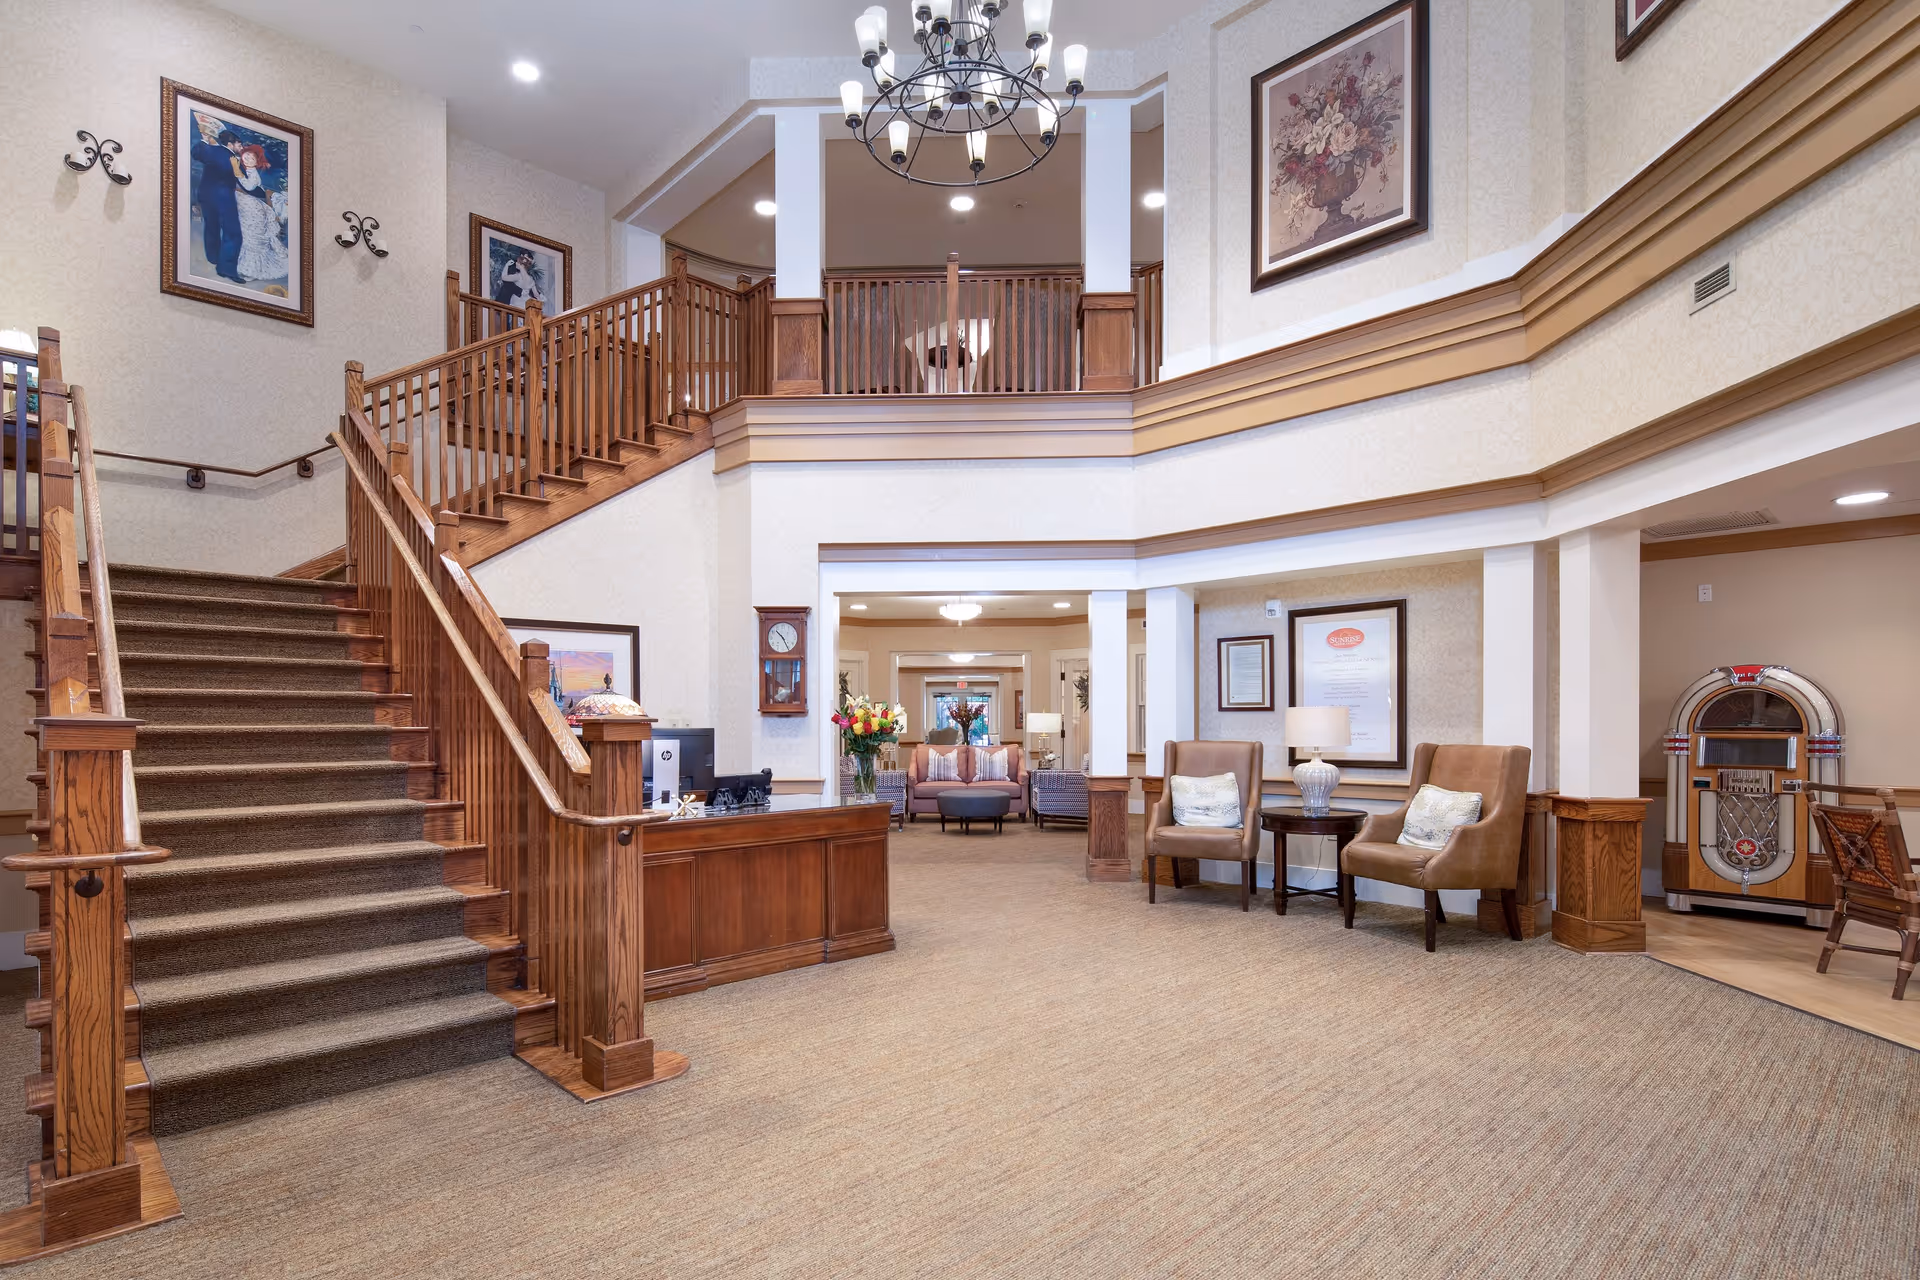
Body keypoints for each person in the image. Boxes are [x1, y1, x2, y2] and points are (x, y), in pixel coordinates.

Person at [189, 128, 254, 282]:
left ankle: (213, 257)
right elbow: (244, 183)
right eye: (239, 144)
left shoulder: (211, 151)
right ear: (231, 144)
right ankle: (227, 270)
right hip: (224, 198)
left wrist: (204, 140)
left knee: (212, 226)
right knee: (233, 233)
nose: (241, 147)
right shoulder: (232, 159)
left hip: (206, 196)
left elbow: (196, 153)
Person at [233, 145, 289, 282]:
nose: (248, 158)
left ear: (256, 162)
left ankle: (253, 270)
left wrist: (236, 169)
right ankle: (246, 268)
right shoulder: (245, 170)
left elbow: (249, 186)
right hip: (246, 209)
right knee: (247, 237)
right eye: (246, 155)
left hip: (253, 210)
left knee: (253, 238)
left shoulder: (253, 174)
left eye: (252, 158)